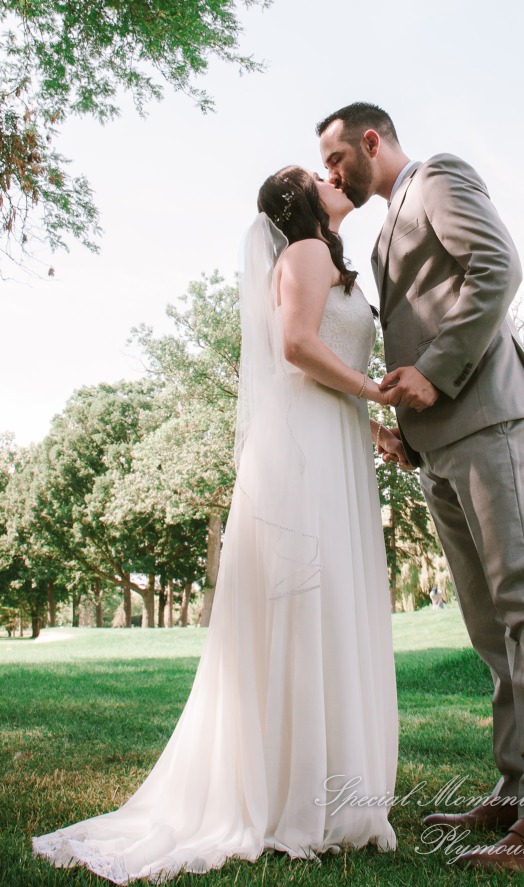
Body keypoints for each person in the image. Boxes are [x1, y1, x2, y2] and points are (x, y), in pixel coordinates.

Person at [32, 166, 402, 883]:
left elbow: (316, 354)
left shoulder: (319, 257)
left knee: (321, 604)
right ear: (300, 205)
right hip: (307, 443)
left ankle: (319, 784)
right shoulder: (308, 253)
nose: (333, 179)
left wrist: (372, 420)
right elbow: (296, 346)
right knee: (305, 604)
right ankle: (297, 794)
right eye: (315, 176)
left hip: (330, 434)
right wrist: (372, 391)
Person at [317, 103, 524, 873]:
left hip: (493, 422)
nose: (332, 175)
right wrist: (403, 426)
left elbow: (496, 267)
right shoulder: (384, 227)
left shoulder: (437, 178)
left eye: (338, 158)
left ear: (371, 141)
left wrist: (434, 374)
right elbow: (421, 324)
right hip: (437, 445)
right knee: (489, 624)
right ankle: (517, 788)